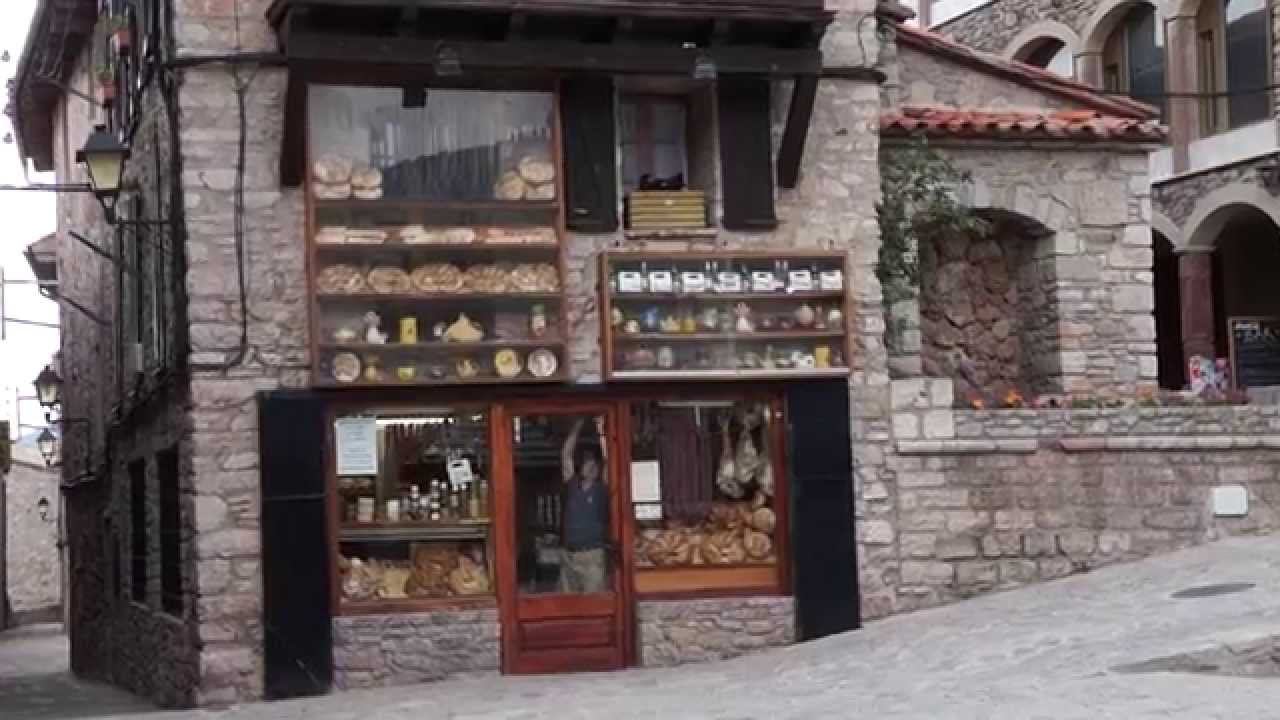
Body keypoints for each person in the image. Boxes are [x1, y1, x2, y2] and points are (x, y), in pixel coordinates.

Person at [559, 417, 609, 593]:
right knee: (568, 603)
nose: (592, 466)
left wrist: (601, 431)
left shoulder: (601, 489)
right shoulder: (572, 485)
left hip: (592, 556)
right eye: (588, 462)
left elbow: (610, 459)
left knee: (594, 601)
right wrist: (577, 425)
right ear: (581, 466)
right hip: (569, 555)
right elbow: (566, 454)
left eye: (594, 463)